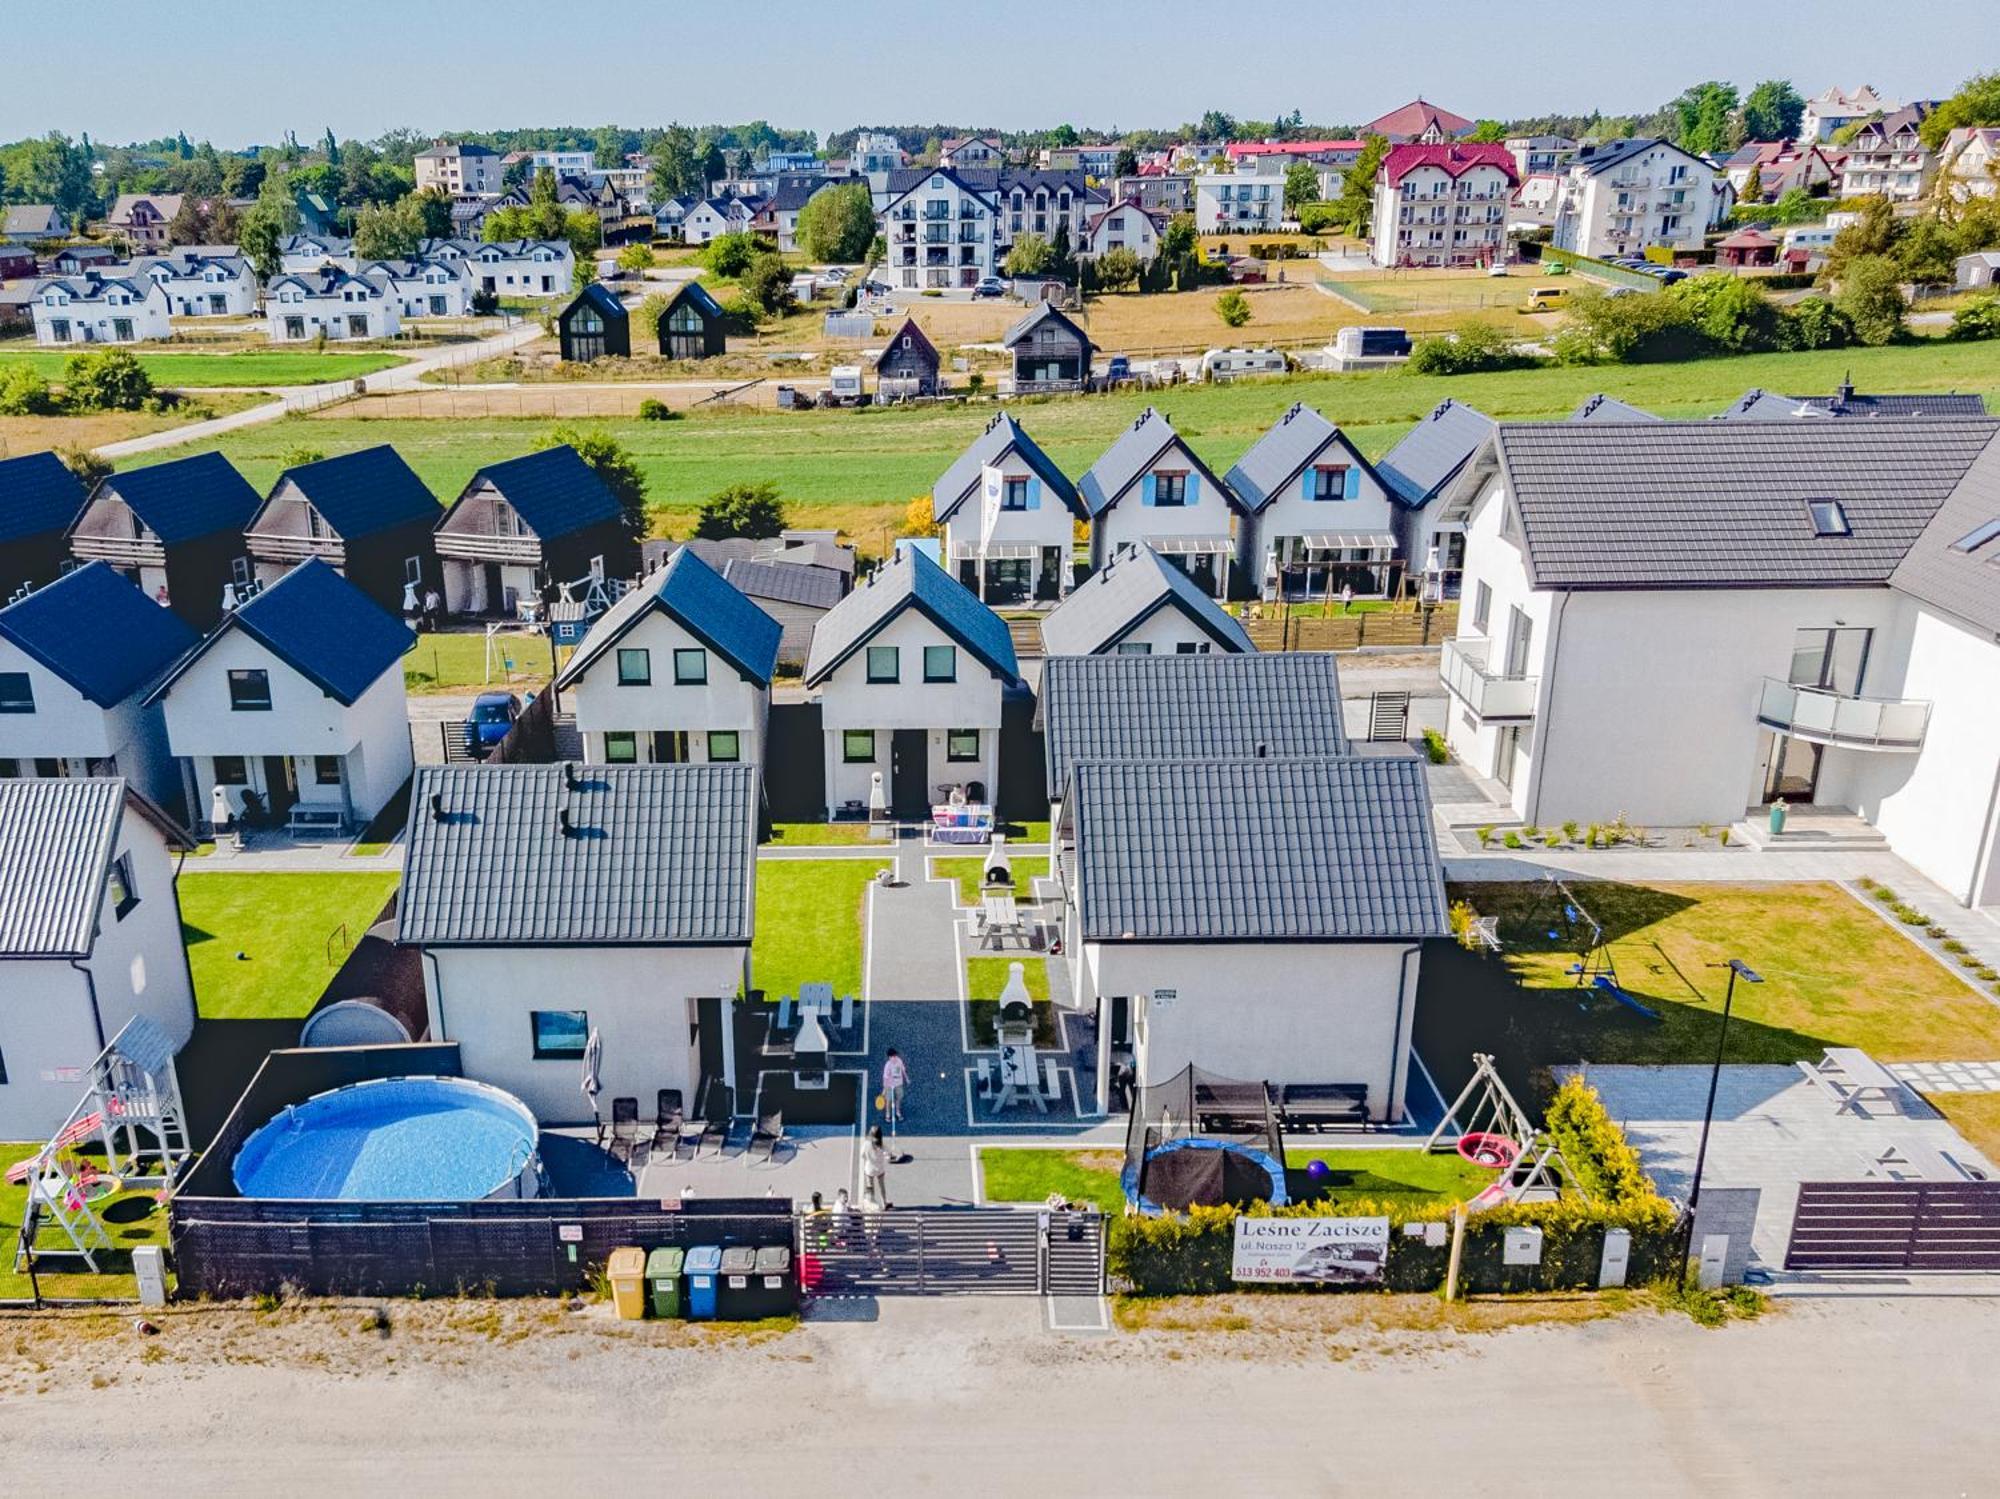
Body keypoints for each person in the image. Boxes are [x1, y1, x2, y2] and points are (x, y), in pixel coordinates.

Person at [860, 1126, 890, 1210]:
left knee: (870, 1187)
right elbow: (888, 1155)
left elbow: (862, 1155)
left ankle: (872, 1204)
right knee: (882, 1187)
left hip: (869, 1169)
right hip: (880, 1168)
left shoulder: (866, 1144)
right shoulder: (882, 1145)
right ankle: (884, 1203)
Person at [881, 1048, 908, 1130]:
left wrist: (906, 1078)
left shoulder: (899, 1061)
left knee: (899, 1099)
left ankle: (898, 1112)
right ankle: (888, 1114)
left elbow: (903, 1070)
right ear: (889, 1057)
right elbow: (885, 1078)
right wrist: (884, 1089)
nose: (895, 1057)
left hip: (899, 1084)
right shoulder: (887, 1066)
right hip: (889, 1085)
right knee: (888, 1100)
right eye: (893, 1056)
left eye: (895, 1055)